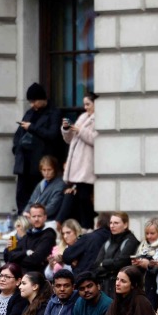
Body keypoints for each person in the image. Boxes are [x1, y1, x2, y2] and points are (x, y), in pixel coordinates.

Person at [13, 83, 63, 215]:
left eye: (34, 101)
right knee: (21, 196)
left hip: (40, 161)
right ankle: (22, 221)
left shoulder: (54, 113)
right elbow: (18, 134)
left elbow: (52, 135)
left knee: (38, 196)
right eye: (30, 102)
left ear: (42, 99)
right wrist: (16, 149)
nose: (32, 105)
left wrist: (32, 128)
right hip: (24, 163)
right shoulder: (29, 113)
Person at [59, 92, 97, 227]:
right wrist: (66, 128)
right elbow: (69, 139)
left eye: (88, 104)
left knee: (84, 198)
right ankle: (81, 225)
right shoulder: (82, 117)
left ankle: (87, 225)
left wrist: (80, 130)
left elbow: (96, 139)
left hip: (87, 163)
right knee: (78, 198)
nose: (85, 107)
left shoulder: (98, 118)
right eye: (84, 104)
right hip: (76, 163)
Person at [94, 212, 140, 296]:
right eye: (111, 223)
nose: (112, 226)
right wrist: (109, 266)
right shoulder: (108, 242)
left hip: (122, 288)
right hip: (105, 286)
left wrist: (104, 264)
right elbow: (97, 263)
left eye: (116, 223)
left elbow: (121, 262)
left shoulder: (130, 241)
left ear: (125, 225)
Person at [5, 204, 57, 276]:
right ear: (29, 218)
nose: (36, 219)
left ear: (45, 217)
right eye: (34, 216)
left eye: (39, 216)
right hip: (21, 276)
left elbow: (35, 259)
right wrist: (25, 253)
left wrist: (17, 258)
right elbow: (10, 256)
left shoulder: (48, 235)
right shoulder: (28, 235)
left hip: (38, 277)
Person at [27, 155, 66, 222]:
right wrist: (26, 213)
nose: (46, 173)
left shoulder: (60, 184)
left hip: (48, 219)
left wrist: (33, 214)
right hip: (35, 216)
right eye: (44, 170)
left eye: (49, 170)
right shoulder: (42, 183)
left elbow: (52, 207)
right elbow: (31, 201)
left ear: (55, 169)